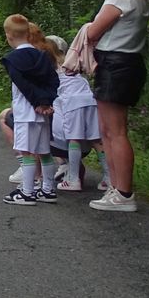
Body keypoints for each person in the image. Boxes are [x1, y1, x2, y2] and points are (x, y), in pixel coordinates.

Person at [80, 0, 149, 213]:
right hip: (128, 63)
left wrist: (87, 28)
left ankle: (122, 192)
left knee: (113, 131)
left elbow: (95, 30)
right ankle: (117, 188)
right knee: (111, 130)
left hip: (115, 64)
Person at [0, 14, 59, 205]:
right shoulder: (41, 55)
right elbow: (54, 80)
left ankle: (27, 191)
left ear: (8, 35)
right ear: (28, 32)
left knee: (26, 152)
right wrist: (47, 102)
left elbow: (23, 84)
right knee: (44, 152)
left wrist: (37, 103)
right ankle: (48, 189)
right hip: (43, 113)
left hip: (26, 112)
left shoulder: (13, 59)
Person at [46, 35, 102, 192]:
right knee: (97, 140)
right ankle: (109, 178)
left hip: (71, 102)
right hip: (90, 100)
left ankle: (73, 178)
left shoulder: (50, 67)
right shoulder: (71, 61)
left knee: (73, 138)